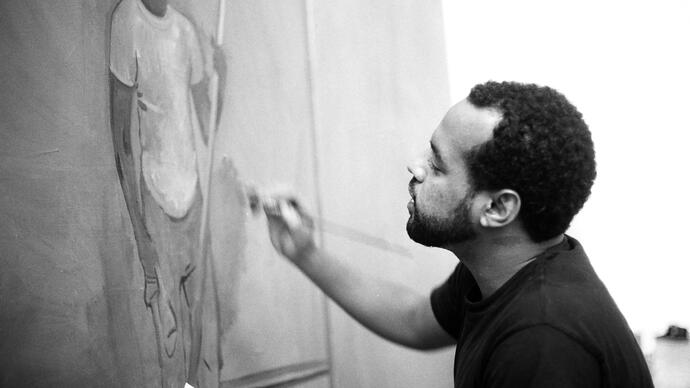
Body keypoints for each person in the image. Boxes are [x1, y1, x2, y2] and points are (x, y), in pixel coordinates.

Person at [264, 81, 654, 387]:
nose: (414, 167)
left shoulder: (542, 342)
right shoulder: (504, 266)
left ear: (498, 208)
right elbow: (415, 319)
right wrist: (304, 252)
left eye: (437, 164)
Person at [109, 0, 225, 386]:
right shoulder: (127, 21)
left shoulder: (184, 31)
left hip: (195, 204)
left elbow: (207, 125)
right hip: (157, 206)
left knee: (206, 353)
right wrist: (141, 234)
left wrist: (219, 78)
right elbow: (122, 141)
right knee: (172, 351)